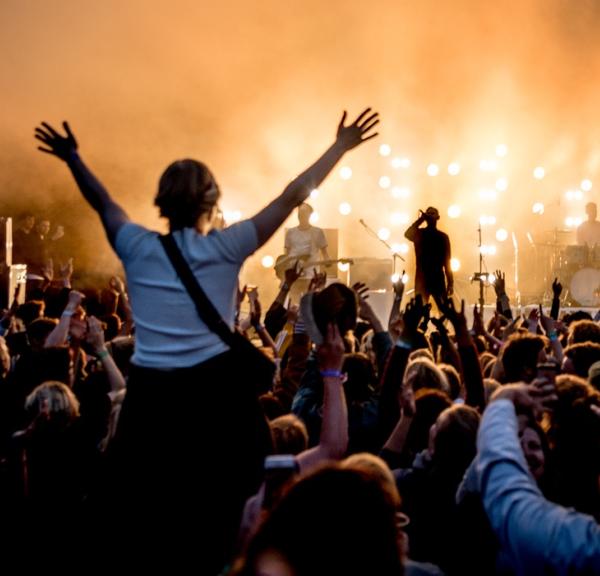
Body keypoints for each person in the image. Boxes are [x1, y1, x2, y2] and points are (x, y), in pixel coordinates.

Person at [34, 108, 379, 572]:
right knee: (232, 518)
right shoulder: (226, 245)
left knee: (132, 520)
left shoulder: (136, 245)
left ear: (159, 204)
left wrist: (72, 157)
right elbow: (291, 193)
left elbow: (105, 204)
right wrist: (339, 147)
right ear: (212, 204)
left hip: (150, 404)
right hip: (218, 406)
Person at [404, 206, 453, 305]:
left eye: (432, 213)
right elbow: (407, 234)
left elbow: (447, 261)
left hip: (437, 278)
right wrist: (421, 218)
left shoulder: (443, 237)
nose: (430, 215)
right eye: (428, 213)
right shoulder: (419, 233)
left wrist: (450, 283)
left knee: (444, 310)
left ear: (437, 217)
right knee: (419, 311)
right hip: (422, 279)